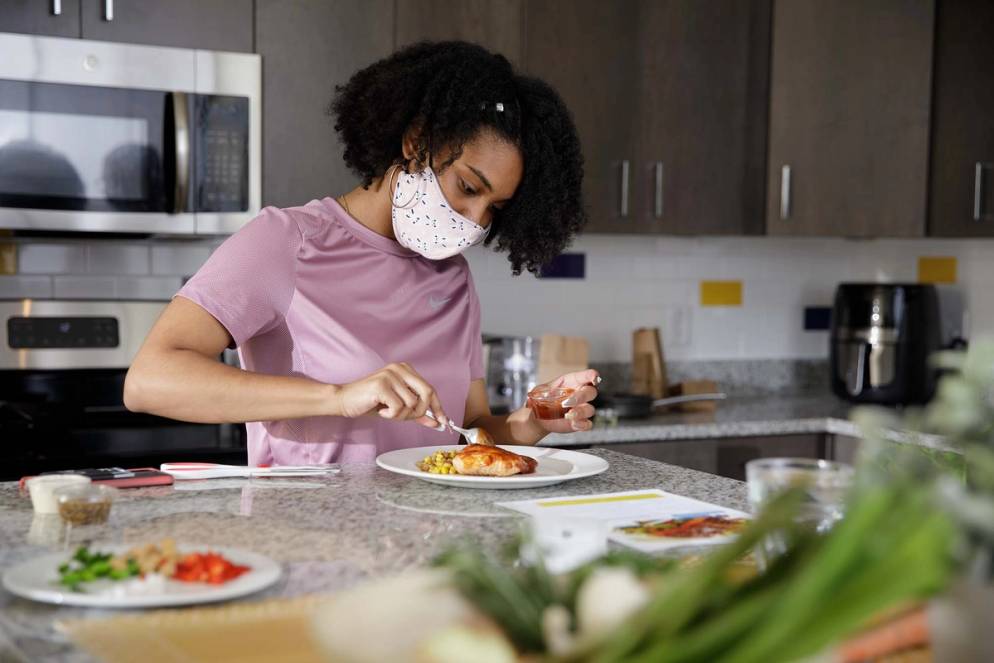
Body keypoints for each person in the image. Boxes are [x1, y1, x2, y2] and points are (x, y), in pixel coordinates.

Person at [124, 41, 598, 466]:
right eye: (468, 187)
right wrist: (339, 397)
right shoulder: (287, 240)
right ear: (417, 142)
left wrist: (528, 425)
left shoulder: (453, 279)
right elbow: (150, 381)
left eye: (493, 207)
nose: (474, 220)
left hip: (433, 545)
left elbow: (468, 431)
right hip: (311, 545)